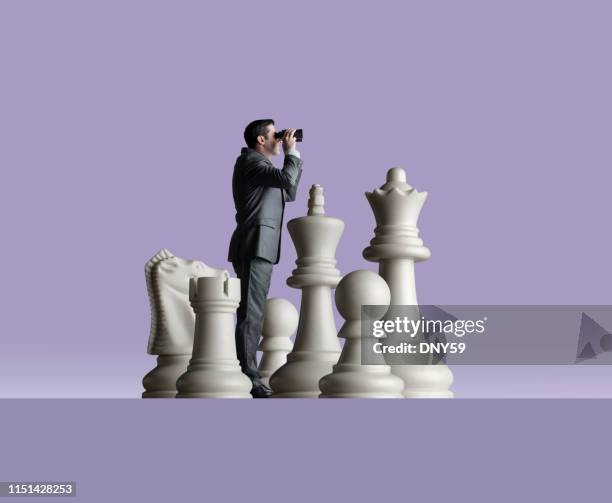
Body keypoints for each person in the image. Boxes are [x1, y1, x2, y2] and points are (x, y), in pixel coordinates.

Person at [228, 119, 303, 398]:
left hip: (261, 246)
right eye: (275, 135)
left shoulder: (263, 168)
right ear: (261, 140)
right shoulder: (251, 163)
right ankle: (249, 377)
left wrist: (290, 157)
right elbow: (286, 179)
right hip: (254, 245)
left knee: (252, 312)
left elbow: (290, 190)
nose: (281, 138)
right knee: (251, 314)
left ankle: (248, 372)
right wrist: (291, 153)